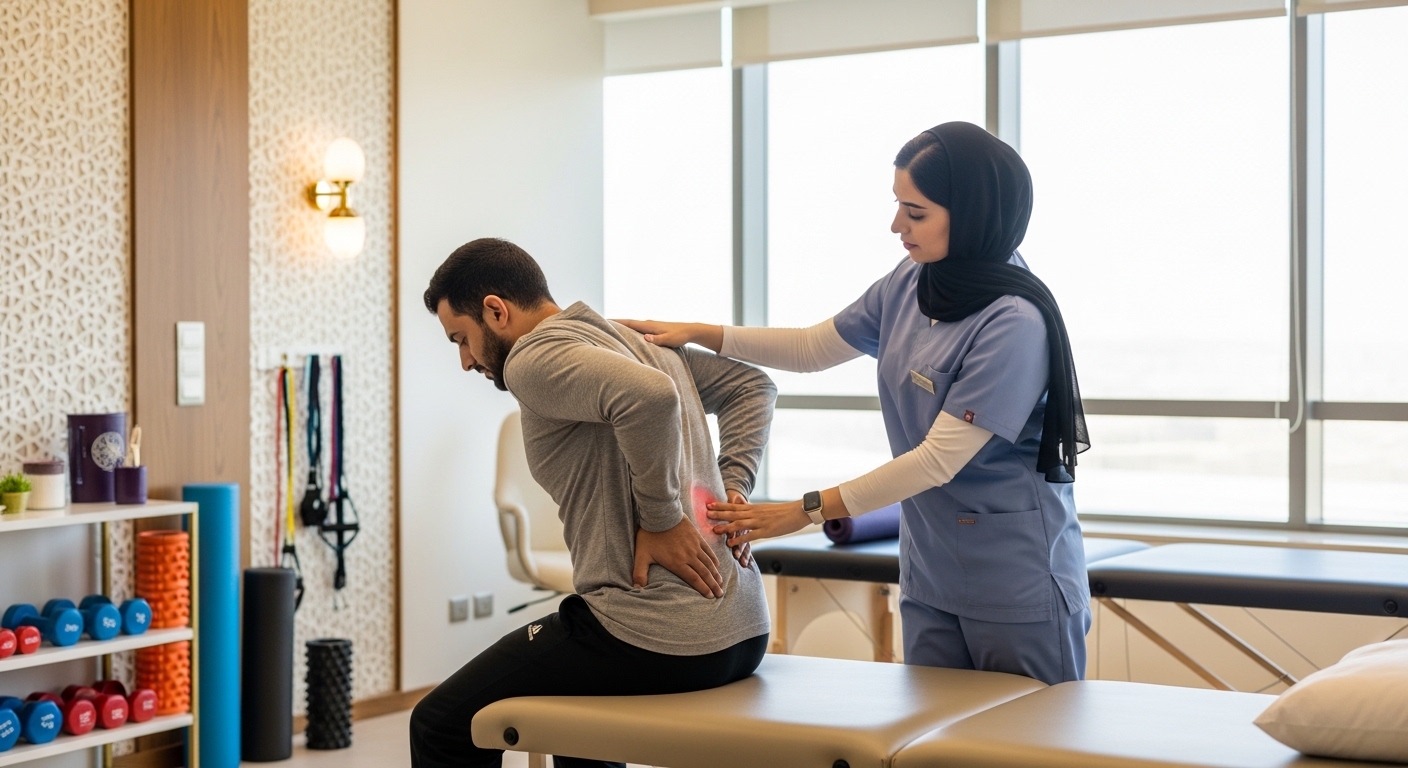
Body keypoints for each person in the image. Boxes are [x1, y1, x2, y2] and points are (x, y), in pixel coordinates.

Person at [620, 121, 1092, 686]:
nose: (897, 226)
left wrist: (805, 510)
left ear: (972, 215)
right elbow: (813, 347)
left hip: (1016, 579)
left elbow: (938, 460)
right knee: (934, 748)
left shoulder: (1014, 322)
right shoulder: (912, 282)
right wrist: (701, 331)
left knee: (1028, 749)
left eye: (916, 213)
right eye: (898, 206)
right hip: (932, 571)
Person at [410, 238, 773, 768]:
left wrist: (663, 518)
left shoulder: (531, 357)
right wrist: (732, 490)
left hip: (654, 636)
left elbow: (650, 399)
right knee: (577, 731)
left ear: (496, 310)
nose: (465, 361)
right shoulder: (627, 338)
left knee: (442, 723)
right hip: (743, 631)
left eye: (461, 339)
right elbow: (753, 387)